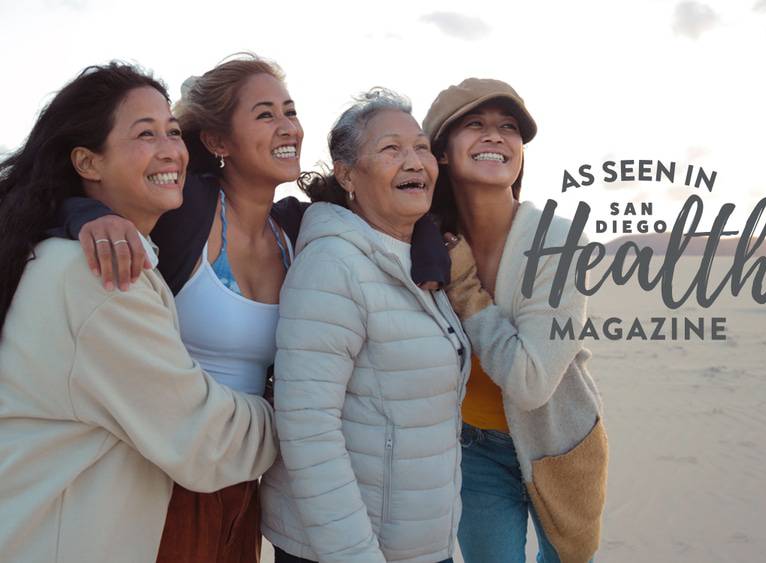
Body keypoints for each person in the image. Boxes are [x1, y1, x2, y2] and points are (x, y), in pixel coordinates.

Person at [57, 55, 450, 563]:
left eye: (290, 111)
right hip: (155, 473)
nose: (288, 127)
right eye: (265, 115)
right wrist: (86, 214)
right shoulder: (186, 213)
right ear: (219, 142)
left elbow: (399, 215)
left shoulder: (295, 231)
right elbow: (58, 195)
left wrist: (434, 258)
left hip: (242, 481)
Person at [0, 63, 278, 563]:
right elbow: (204, 442)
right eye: (145, 134)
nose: (171, 148)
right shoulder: (101, 276)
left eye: (172, 131)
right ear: (88, 162)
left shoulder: (69, 254)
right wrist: (300, 417)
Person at [261, 88, 470, 563]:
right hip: (346, 547)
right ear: (347, 173)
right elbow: (308, 428)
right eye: (391, 149)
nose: (414, 161)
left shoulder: (422, 260)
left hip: (415, 542)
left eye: (420, 147)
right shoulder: (333, 264)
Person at [423, 78, 609, 563]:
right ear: (441, 151)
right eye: (474, 124)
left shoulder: (559, 243)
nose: (495, 136)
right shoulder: (424, 245)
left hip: (562, 445)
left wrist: (465, 288)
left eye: (508, 127)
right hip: (471, 447)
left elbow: (530, 382)